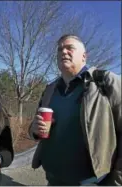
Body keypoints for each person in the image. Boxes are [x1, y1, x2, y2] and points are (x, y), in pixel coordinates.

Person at [28, 34, 121, 185]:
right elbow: (33, 129)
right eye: (60, 49)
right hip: (52, 180)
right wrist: (34, 129)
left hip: (92, 182)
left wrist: (117, 182)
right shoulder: (50, 89)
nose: (63, 52)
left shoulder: (106, 82)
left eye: (69, 48)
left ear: (84, 56)